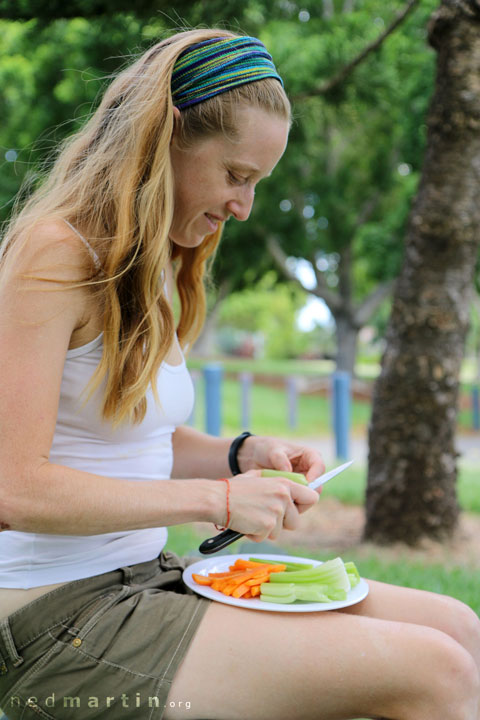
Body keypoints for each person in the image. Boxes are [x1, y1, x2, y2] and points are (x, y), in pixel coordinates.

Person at [0, 27, 479, 720]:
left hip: (145, 579)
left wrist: (238, 456)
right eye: (236, 175)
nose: (243, 207)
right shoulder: (55, 255)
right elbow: (16, 489)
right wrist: (218, 503)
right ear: (163, 140)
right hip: (53, 622)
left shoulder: (157, 263)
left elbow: (135, 440)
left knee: (458, 628)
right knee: (438, 672)